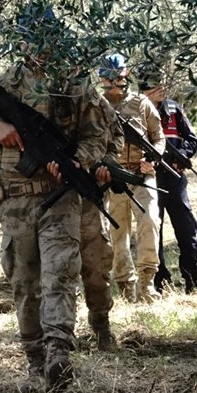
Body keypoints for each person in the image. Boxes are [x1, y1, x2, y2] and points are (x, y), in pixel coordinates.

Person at [0, 5, 106, 393]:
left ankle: (58, 355)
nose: (39, 45)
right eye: (31, 36)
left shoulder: (75, 84)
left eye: (45, 36)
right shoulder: (4, 84)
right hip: (16, 199)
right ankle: (35, 360)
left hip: (60, 197)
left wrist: (74, 161)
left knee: (61, 275)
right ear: (21, 40)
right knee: (24, 282)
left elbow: (98, 136)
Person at [102, 53, 164, 303]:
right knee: (118, 232)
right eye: (109, 77)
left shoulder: (141, 103)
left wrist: (154, 159)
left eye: (118, 76)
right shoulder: (98, 106)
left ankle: (147, 282)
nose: (114, 81)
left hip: (142, 174)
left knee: (150, 221)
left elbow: (158, 137)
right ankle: (125, 285)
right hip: (113, 177)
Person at [140, 64, 197, 293]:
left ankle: (191, 278)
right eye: (155, 85)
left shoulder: (174, 109)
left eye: (162, 84)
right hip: (149, 178)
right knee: (153, 229)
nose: (161, 89)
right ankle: (161, 282)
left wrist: (182, 157)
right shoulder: (137, 111)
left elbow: (192, 139)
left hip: (175, 178)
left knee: (186, 229)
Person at [80, 73, 123, 352]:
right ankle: (57, 333)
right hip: (47, 195)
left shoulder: (93, 99)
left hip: (87, 196)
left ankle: (100, 326)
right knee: (55, 269)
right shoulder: (33, 96)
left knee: (96, 265)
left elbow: (116, 135)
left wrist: (106, 163)